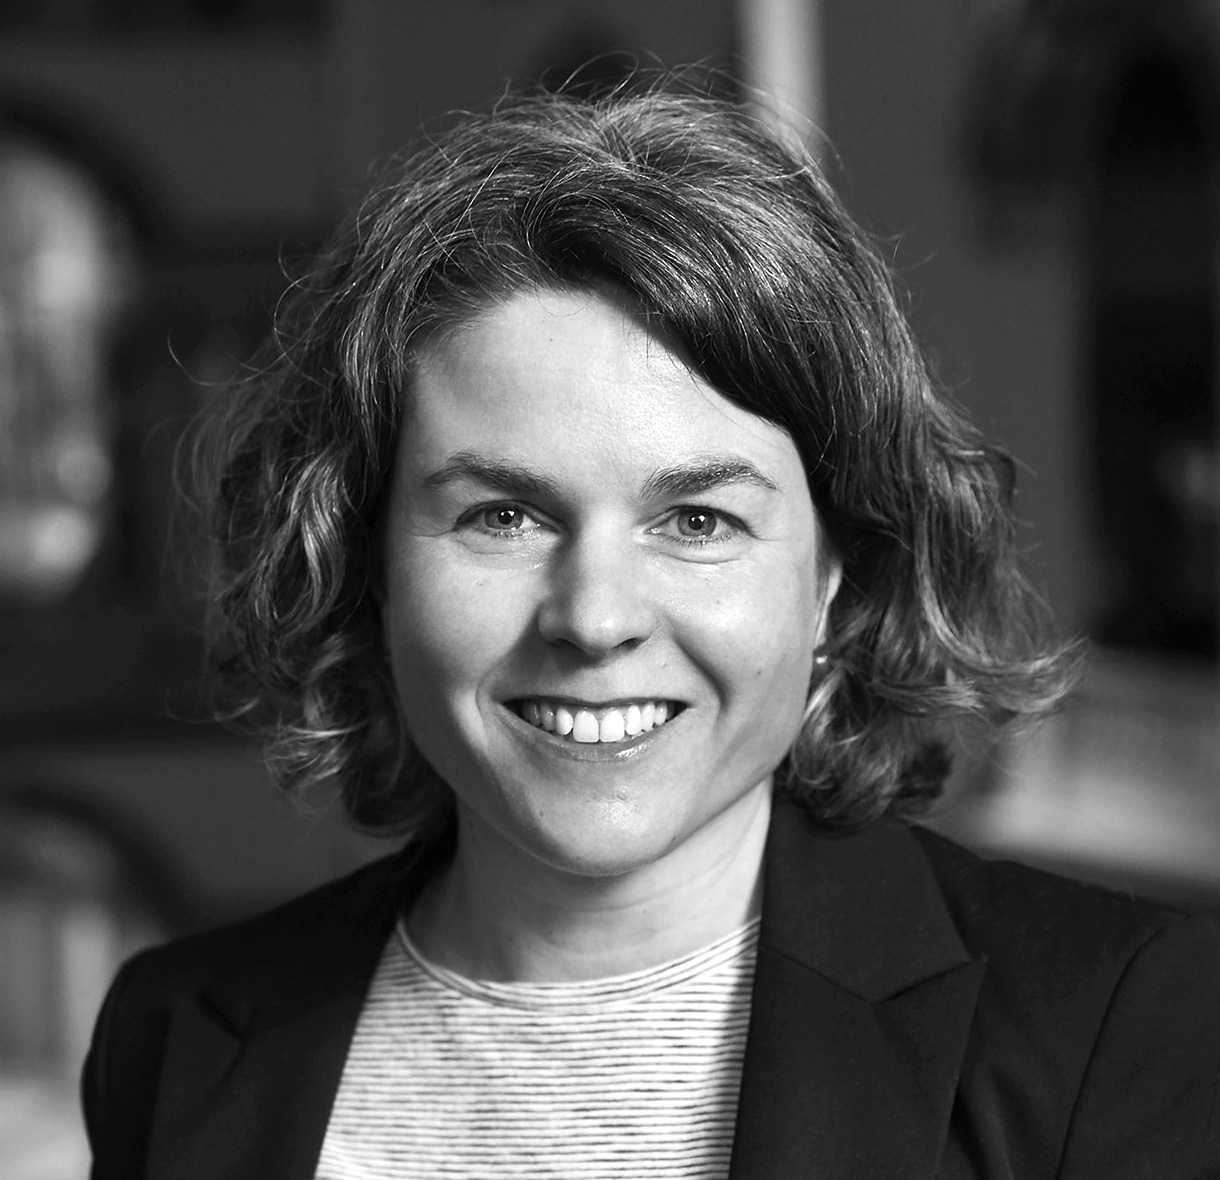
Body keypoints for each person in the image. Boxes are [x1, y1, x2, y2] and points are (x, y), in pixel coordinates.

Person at [83, 83, 1220, 1180]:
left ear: (834, 569)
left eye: (697, 520)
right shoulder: (174, 1044)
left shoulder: (1115, 1033)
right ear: (363, 557)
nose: (595, 617)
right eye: (503, 515)